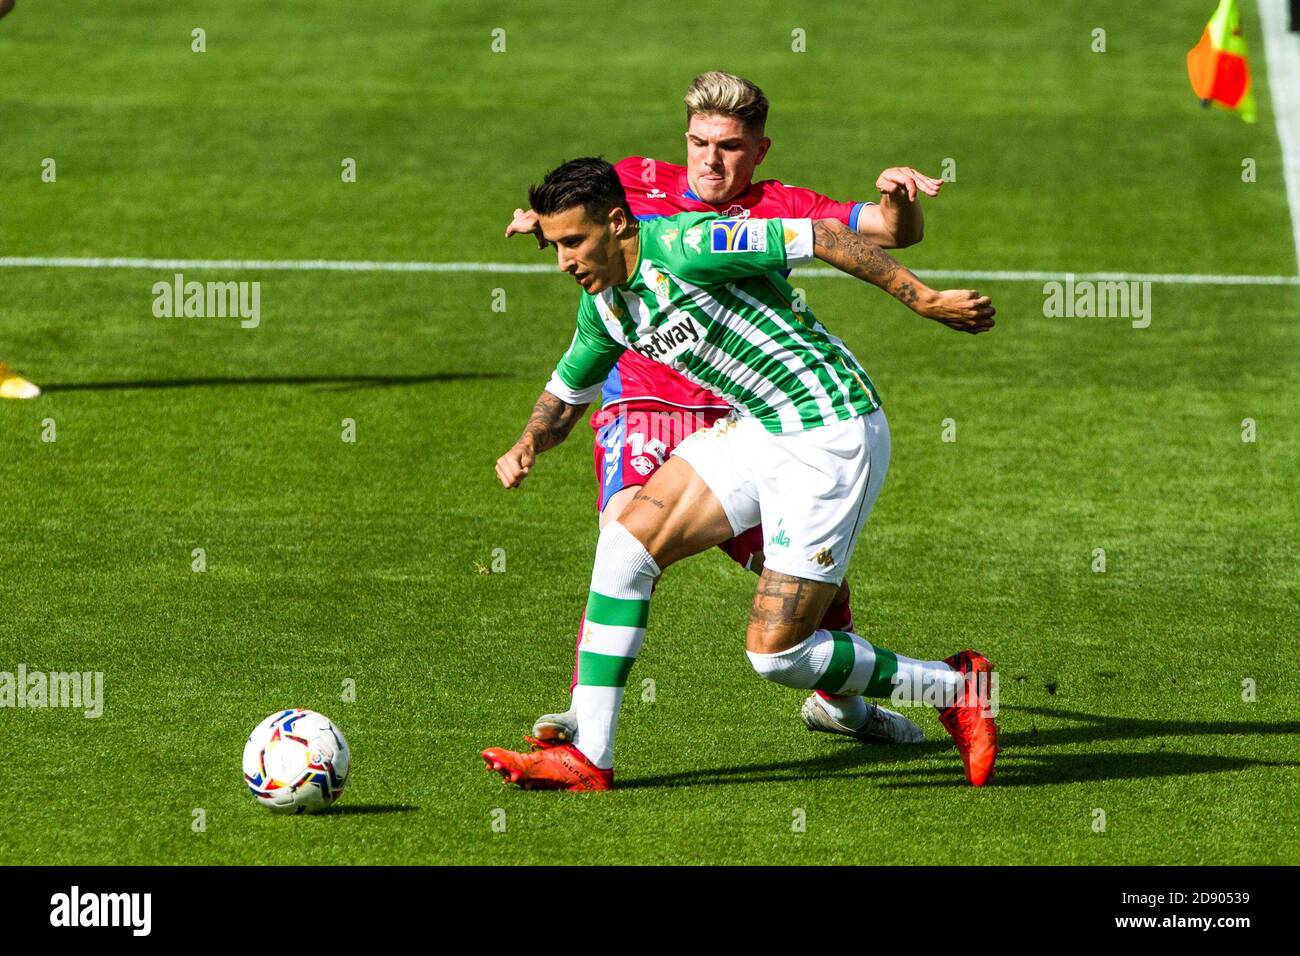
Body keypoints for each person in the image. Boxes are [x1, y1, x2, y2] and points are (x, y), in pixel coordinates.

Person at [483, 158, 999, 790]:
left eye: (573, 242)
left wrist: (923, 299)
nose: (562, 261)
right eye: (556, 244)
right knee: (623, 548)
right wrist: (528, 442)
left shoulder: (690, 245)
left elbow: (820, 236)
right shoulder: (605, 307)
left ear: (617, 223)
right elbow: (566, 397)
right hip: (757, 427)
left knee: (776, 655)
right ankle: (587, 755)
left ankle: (955, 686)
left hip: (828, 430)